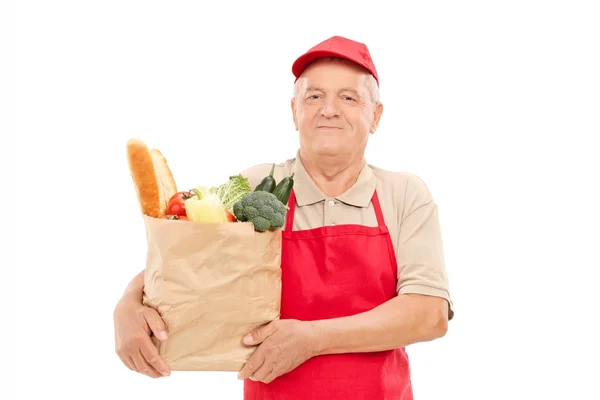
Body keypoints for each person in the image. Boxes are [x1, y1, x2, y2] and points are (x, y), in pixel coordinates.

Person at [113, 35, 454, 399]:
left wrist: (312, 339)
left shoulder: (403, 194)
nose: (329, 109)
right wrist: (127, 304)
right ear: (294, 111)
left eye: (349, 97)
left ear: (376, 116)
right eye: (314, 96)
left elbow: (428, 313)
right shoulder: (258, 187)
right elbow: (188, 261)